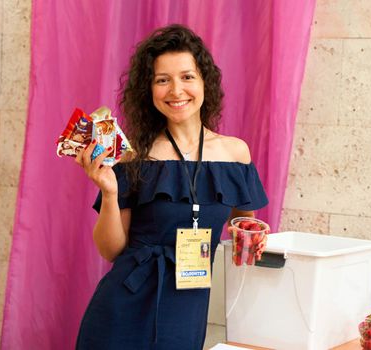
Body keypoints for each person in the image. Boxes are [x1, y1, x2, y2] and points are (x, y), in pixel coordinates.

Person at [74, 24, 269, 349]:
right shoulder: (133, 155)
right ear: (149, 91)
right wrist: (109, 192)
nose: (176, 90)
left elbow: (244, 230)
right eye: (162, 80)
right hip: (124, 306)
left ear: (205, 81)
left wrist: (254, 241)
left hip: (188, 305)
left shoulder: (235, 153)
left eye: (187, 77)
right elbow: (110, 250)